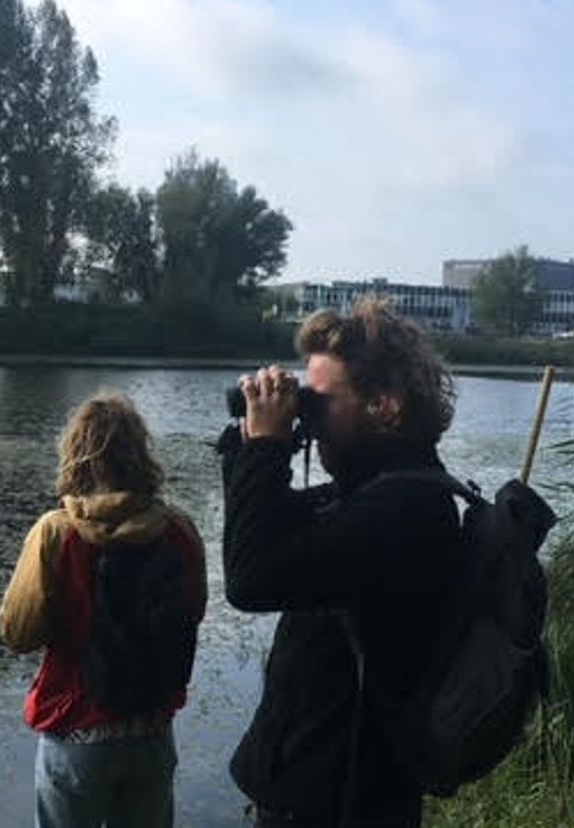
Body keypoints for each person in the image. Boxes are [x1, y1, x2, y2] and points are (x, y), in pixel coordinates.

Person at [222, 296, 465, 828]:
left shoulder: (404, 510)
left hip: (339, 802)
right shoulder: (379, 491)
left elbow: (250, 578)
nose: (308, 414)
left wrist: (267, 451)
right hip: (328, 791)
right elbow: (269, 528)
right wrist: (249, 444)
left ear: (385, 404)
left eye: (320, 400)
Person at [0, 391, 207, 828]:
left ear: (76, 455)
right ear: (141, 456)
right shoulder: (180, 531)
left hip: (76, 728)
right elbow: (194, 612)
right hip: (150, 730)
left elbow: (19, 633)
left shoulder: (55, 533)